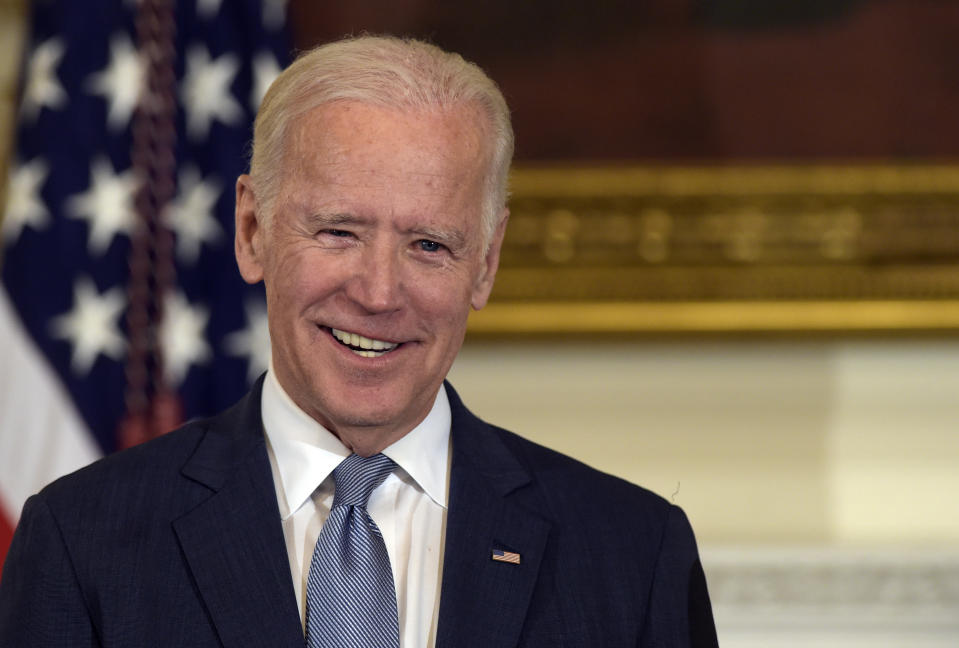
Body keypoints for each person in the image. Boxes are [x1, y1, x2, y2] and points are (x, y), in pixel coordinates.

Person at [0, 35, 718, 647]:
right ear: (252, 231)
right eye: (338, 231)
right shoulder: (82, 538)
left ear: (487, 263)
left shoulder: (631, 553)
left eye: (429, 244)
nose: (377, 293)